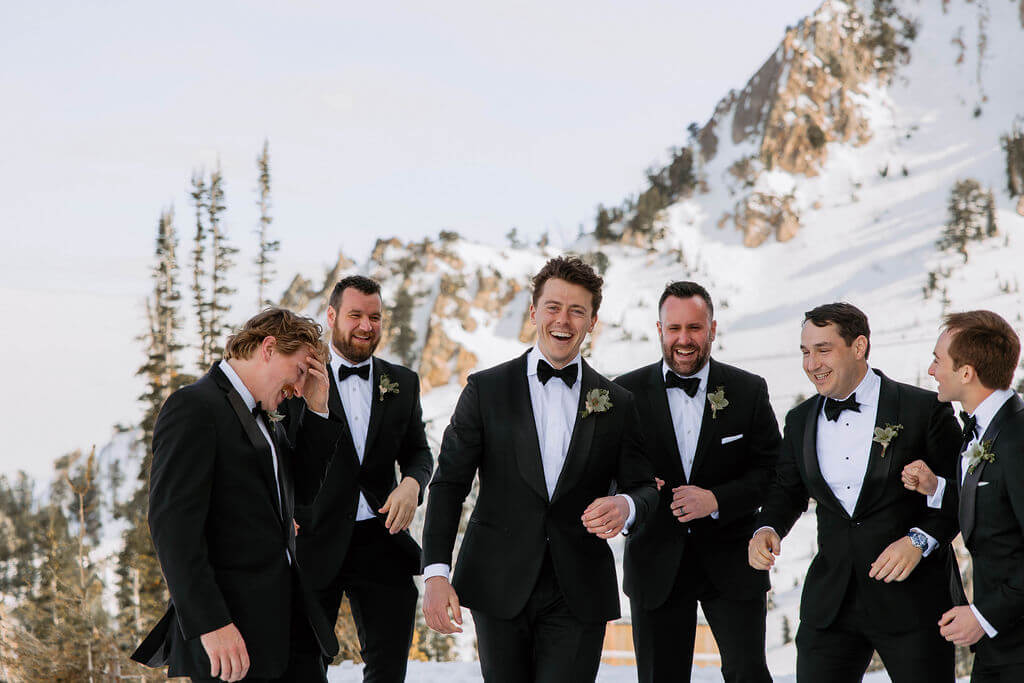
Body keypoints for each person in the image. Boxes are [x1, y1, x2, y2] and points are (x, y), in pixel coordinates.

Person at [420, 255, 658, 682]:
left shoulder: (618, 402)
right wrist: (437, 573)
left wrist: (626, 505)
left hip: (579, 589)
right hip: (497, 581)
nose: (562, 320)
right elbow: (449, 483)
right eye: (553, 307)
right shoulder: (485, 389)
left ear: (592, 321)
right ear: (533, 312)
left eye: (576, 310)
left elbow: (644, 487)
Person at [748, 302, 961, 682]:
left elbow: (960, 494)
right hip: (831, 604)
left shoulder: (923, 409)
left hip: (911, 601)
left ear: (859, 346)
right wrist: (767, 528)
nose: (811, 364)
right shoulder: (799, 420)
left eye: (823, 350)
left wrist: (919, 540)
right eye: (805, 352)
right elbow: (786, 490)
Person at [131, 308, 343, 682]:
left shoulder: (265, 412)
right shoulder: (195, 407)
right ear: (269, 348)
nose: (298, 386)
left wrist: (317, 408)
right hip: (231, 640)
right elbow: (173, 528)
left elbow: (299, 496)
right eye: (298, 371)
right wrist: (211, 624)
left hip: (288, 632)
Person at [615, 281, 780, 683]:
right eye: (674, 329)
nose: (684, 339)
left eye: (695, 328)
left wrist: (717, 500)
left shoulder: (748, 389)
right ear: (659, 330)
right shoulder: (623, 393)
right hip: (656, 564)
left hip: (733, 561)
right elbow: (605, 470)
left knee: (748, 673)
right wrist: (632, 491)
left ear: (713, 329)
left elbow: (774, 473)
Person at [290, 275, 433, 682]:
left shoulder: (403, 383)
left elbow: (420, 452)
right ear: (332, 316)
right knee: (303, 664)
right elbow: (280, 452)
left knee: (388, 668)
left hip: (381, 537)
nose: (366, 326)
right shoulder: (299, 377)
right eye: (355, 315)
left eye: (375, 317)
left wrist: (412, 483)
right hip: (313, 537)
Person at [901, 311, 1024, 682]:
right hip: (997, 644)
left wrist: (985, 616)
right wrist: (937, 488)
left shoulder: (1018, 439)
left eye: (939, 360)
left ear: (966, 372)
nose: (931, 370)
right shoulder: (982, 428)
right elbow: (996, 503)